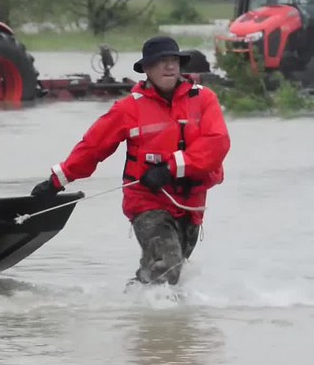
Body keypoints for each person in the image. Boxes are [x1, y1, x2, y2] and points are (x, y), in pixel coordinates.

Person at [30, 36, 230, 285]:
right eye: (161, 62)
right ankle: (144, 313)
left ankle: (134, 308)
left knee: (169, 274)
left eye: (173, 61)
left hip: (191, 204)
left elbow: (217, 143)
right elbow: (92, 147)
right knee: (167, 266)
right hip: (147, 203)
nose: (169, 66)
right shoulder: (128, 109)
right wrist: (55, 182)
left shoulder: (204, 99)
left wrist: (170, 168)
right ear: (147, 69)